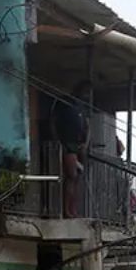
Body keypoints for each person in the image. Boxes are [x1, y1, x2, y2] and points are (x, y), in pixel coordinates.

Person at [50, 82, 92, 218]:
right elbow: (53, 121)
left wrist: (85, 144)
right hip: (67, 144)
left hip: (78, 145)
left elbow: (88, 126)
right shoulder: (65, 102)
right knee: (71, 175)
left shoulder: (82, 107)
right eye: (85, 91)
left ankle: (73, 209)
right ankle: (66, 210)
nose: (87, 95)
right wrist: (57, 140)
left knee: (77, 178)